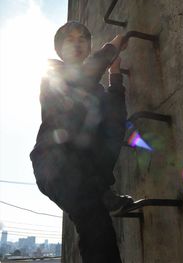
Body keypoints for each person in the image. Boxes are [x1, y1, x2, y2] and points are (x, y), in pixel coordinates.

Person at [30, 21, 133, 263]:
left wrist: (115, 76)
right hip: (55, 166)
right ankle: (100, 192)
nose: (77, 44)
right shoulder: (53, 74)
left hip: (85, 176)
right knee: (95, 227)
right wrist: (111, 48)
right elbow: (79, 80)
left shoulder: (94, 90)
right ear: (59, 50)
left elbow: (116, 120)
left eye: (82, 40)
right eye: (70, 40)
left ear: (88, 48)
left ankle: (101, 192)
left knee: (99, 231)